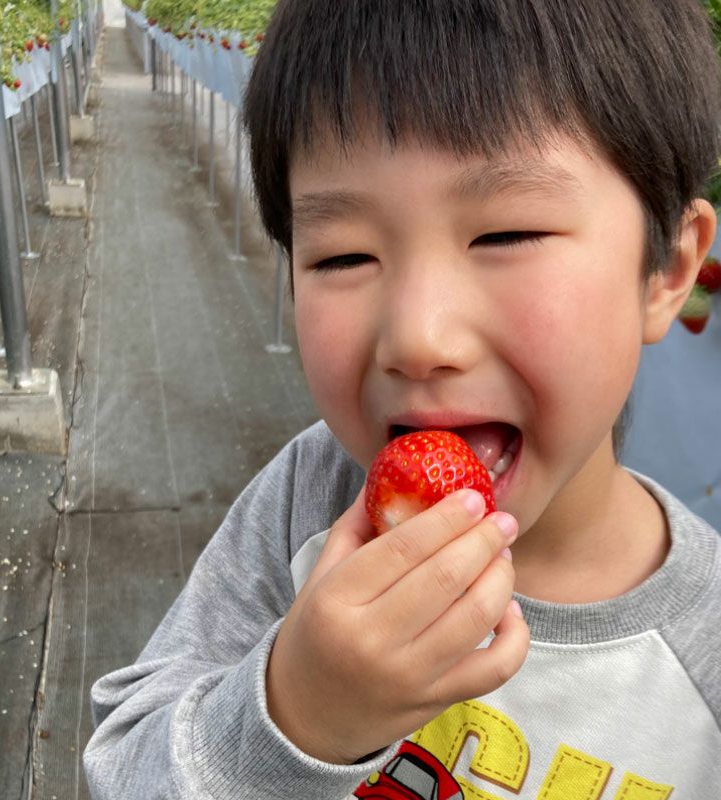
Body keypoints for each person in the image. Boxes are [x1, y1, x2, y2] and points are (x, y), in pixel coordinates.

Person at [83, 1, 721, 797]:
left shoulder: (705, 654)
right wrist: (297, 714)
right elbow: (123, 761)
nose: (417, 337)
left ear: (666, 270)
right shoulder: (308, 497)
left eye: (505, 235)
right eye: (344, 254)